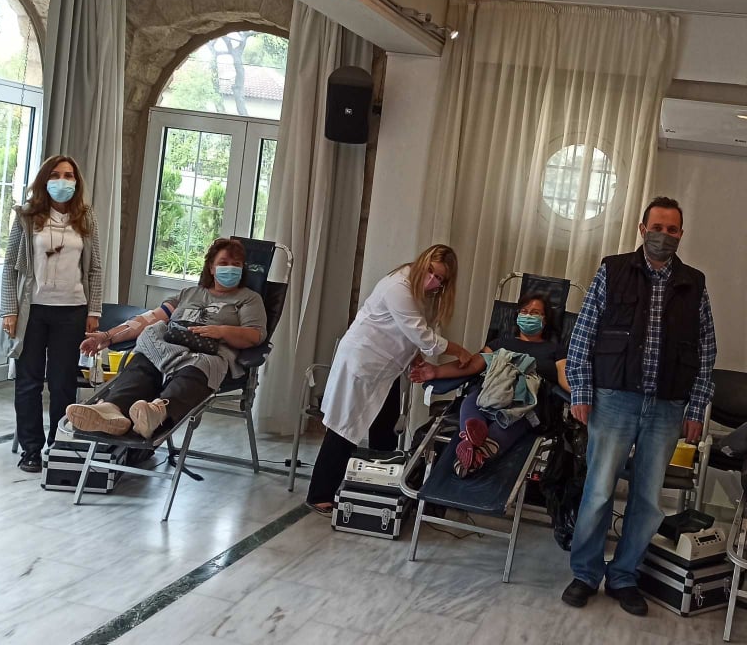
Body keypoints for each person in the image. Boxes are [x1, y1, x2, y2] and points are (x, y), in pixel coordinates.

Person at [561, 197, 716, 617]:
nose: (664, 235)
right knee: (598, 492)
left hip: (667, 407)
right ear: (641, 229)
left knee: (647, 500)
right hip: (614, 399)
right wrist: (581, 391)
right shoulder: (613, 270)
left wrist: (696, 408)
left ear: (681, 234)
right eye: (657, 227)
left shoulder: (694, 284)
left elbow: (706, 350)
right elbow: (584, 333)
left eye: (672, 229)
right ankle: (585, 574)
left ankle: (624, 576)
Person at [306, 244, 473, 516]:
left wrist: (415, 357)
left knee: (385, 427)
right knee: (344, 427)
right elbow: (422, 336)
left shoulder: (423, 294)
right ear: (422, 263)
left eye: (440, 278)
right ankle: (320, 494)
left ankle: (376, 488)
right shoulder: (399, 286)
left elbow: (408, 334)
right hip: (363, 362)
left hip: (385, 369)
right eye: (431, 271)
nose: (433, 279)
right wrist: (460, 351)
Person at [66, 237, 266, 439]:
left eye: (236, 264)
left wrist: (222, 331)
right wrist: (107, 337)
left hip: (207, 354)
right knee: (144, 359)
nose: (230, 268)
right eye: (223, 263)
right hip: (167, 348)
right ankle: (111, 410)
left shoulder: (249, 298)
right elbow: (149, 319)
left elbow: (255, 335)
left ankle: (157, 413)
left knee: (198, 367)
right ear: (211, 268)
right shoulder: (189, 293)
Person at [0, 155, 103, 473]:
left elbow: (95, 268)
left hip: (72, 311)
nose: (62, 181)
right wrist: (9, 310)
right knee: (28, 382)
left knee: (62, 383)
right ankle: (31, 449)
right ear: (45, 180)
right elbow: (10, 266)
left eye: (69, 175)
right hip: (32, 311)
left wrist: (94, 310)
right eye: (56, 175)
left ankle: (60, 446)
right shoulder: (26, 216)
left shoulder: (85, 217)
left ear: (76, 182)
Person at [411, 293, 569, 475]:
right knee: (472, 401)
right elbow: (472, 365)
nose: (528, 316)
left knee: (512, 417)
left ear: (545, 319)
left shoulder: (555, 350)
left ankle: (470, 455)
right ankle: (472, 441)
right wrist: (436, 371)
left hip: (524, 404)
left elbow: (565, 378)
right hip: (489, 394)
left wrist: (583, 398)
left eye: (534, 313)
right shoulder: (500, 343)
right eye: (524, 311)